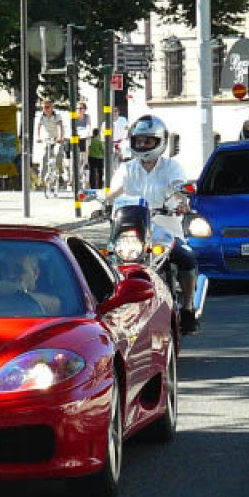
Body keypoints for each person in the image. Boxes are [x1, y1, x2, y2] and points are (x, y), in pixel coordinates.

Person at [105, 114, 200, 333]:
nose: (142, 145)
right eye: (139, 141)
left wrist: (182, 202)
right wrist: (104, 202)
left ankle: (187, 308)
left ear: (160, 142)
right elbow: (116, 190)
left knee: (186, 257)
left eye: (147, 141)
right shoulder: (127, 169)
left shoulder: (171, 167)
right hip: (132, 233)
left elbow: (179, 187)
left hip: (167, 230)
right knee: (108, 265)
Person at [34, 98, 65, 182]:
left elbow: (60, 126)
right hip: (47, 138)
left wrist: (59, 137)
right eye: (44, 107)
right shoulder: (41, 116)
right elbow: (38, 127)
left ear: (52, 107)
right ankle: (41, 179)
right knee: (44, 157)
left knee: (58, 154)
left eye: (48, 107)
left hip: (57, 138)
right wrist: (38, 137)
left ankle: (60, 174)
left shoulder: (57, 115)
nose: (46, 109)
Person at [75, 101, 92, 186]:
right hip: (76, 138)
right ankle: (72, 176)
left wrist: (88, 133)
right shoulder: (74, 117)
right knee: (72, 158)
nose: (79, 110)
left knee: (85, 160)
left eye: (81, 108)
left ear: (85, 110)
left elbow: (88, 127)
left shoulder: (87, 117)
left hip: (84, 138)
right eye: (77, 108)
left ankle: (87, 179)